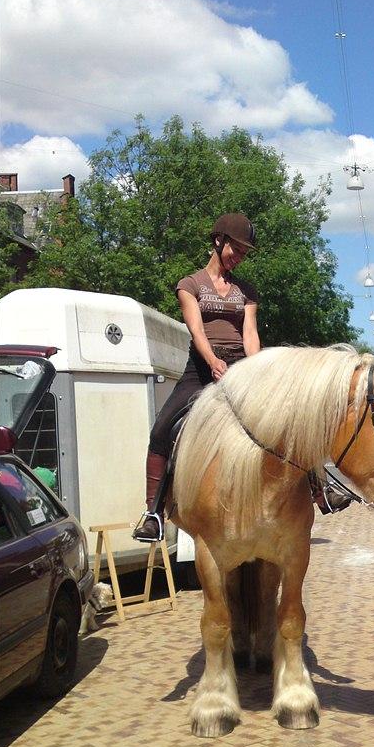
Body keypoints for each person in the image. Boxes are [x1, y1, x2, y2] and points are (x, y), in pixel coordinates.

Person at [133, 213, 260, 542]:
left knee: (284, 415)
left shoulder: (246, 291)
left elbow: (249, 333)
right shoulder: (190, 285)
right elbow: (196, 330)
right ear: (219, 241)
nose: (239, 257)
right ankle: (153, 513)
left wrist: (256, 368)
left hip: (240, 366)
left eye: (244, 253)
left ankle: (320, 491)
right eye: (236, 249)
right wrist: (213, 361)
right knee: (162, 429)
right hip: (201, 368)